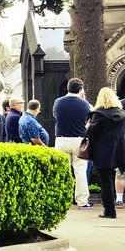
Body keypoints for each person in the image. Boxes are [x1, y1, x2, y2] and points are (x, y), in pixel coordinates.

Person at [87, 87, 125, 219]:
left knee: (105, 181)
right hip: (118, 151)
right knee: (111, 178)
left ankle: (109, 211)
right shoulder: (122, 113)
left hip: (103, 152)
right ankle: (111, 208)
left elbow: (91, 133)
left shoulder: (98, 114)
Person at [52, 77, 93, 209]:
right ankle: (82, 201)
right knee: (80, 171)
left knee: (62, 170)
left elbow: (55, 116)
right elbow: (90, 119)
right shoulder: (85, 104)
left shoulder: (58, 102)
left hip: (61, 139)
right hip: (78, 140)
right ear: (80, 89)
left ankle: (60, 200)